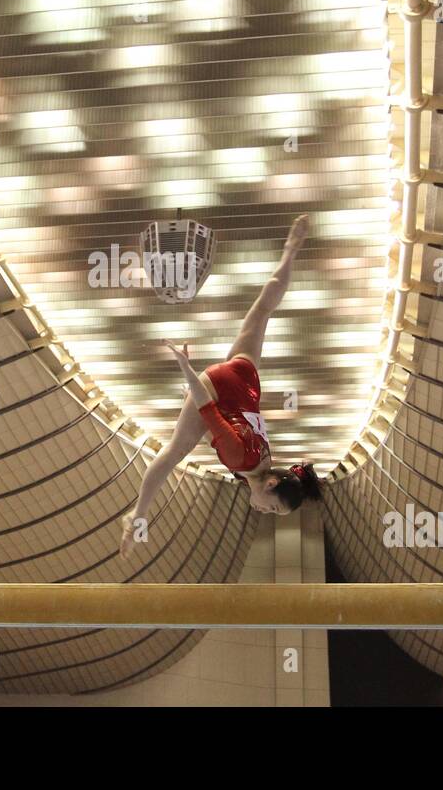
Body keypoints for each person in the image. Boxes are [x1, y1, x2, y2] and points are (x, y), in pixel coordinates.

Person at [119, 215, 321, 559]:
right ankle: (137, 513)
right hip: (215, 388)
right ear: (270, 484)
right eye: (271, 509)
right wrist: (187, 370)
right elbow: (206, 408)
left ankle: (291, 251)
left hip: (246, 381)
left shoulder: (265, 465)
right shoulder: (238, 458)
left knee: (263, 310)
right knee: (174, 452)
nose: (262, 512)